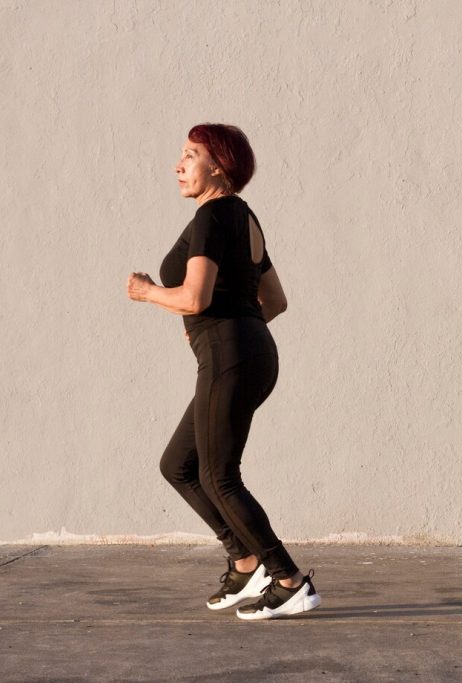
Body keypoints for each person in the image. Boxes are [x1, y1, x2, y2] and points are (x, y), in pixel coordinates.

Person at [126, 123, 320, 620]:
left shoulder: (213, 215)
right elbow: (274, 301)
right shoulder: (245, 218)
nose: (179, 164)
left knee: (219, 474)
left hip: (230, 356)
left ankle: (287, 578)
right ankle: (245, 559)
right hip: (248, 351)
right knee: (180, 465)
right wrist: (232, 328)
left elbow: (194, 297)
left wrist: (149, 292)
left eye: (190, 154)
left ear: (218, 165)